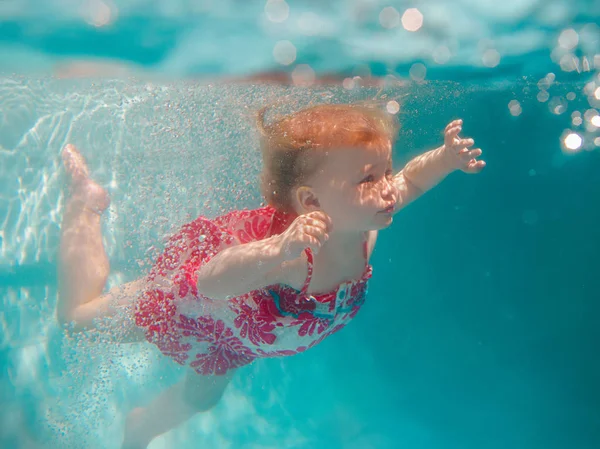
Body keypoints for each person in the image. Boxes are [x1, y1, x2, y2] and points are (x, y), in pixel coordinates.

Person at [58, 103, 485, 448]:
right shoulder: (297, 258)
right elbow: (207, 281)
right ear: (311, 200)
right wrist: (277, 248)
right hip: (188, 309)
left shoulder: (365, 226)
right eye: (367, 179)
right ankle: (85, 204)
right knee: (78, 320)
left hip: (233, 339)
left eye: (386, 171)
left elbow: (412, 179)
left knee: (203, 399)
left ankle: (142, 426)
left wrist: (445, 159)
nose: (389, 188)